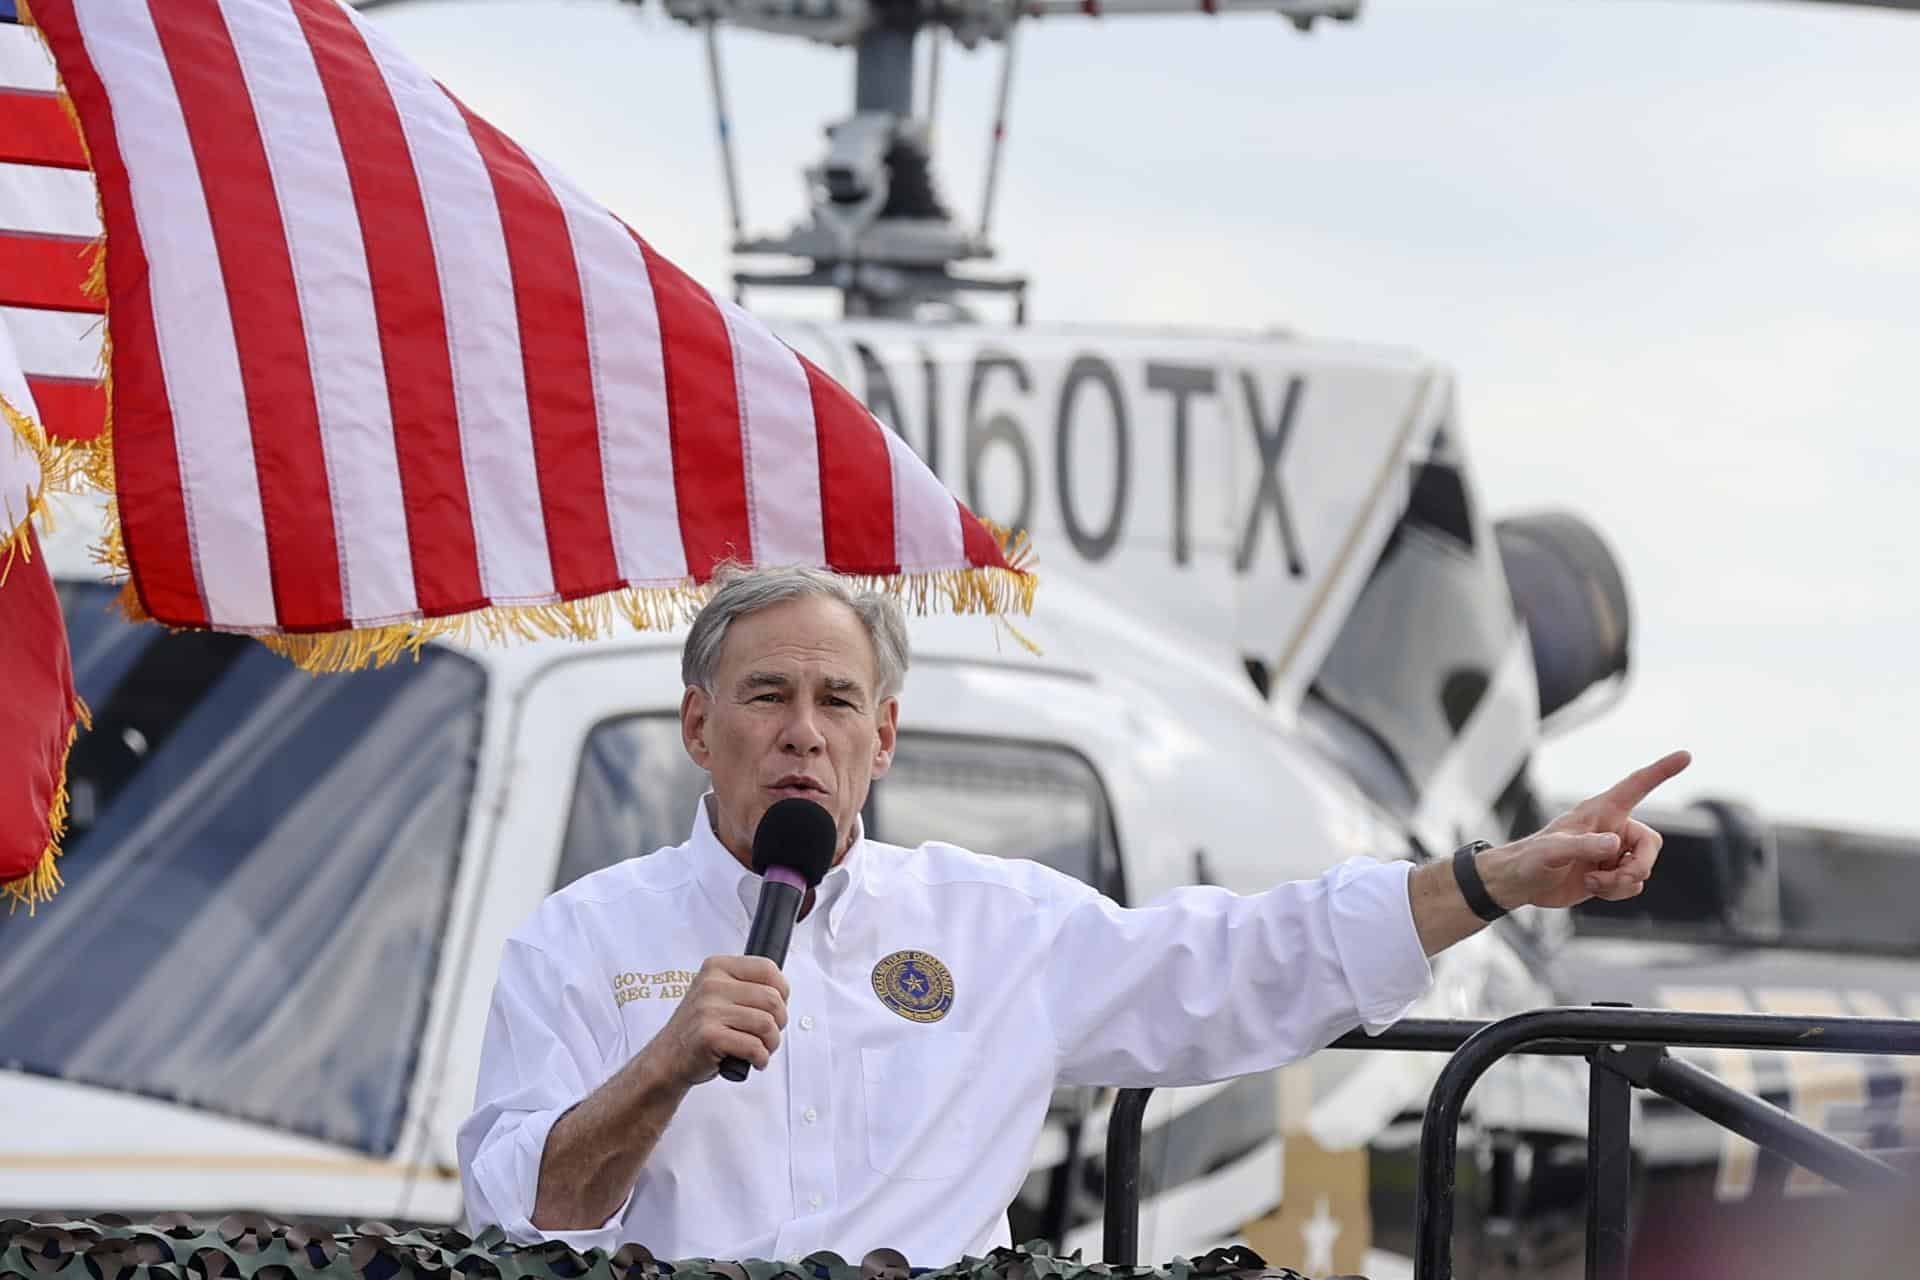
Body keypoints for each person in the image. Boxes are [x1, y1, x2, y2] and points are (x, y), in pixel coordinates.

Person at [457, 565, 1689, 1264]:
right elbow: (515, 1216)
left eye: (838, 699)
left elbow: (1244, 961)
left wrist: (1492, 880)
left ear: (881, 738)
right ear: (696, 725)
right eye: (765, 694)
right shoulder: (577, 941)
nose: (801, 730)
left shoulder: (995, 922)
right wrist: (661, 1067)